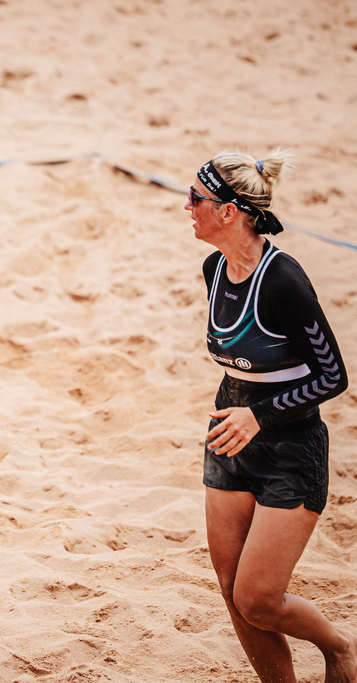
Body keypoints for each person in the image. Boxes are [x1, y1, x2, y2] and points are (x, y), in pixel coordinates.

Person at [187, 149, 356, 682]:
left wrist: (258, 415)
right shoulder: (214, 269)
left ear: (229, 211)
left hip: (290, 450)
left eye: (196, 198)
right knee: (232, 589)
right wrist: (237, 417)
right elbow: (241, 363)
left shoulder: (282, 281)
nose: (186, 206)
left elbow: (333, 377)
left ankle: (340, 648)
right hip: (229, 443)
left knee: (259, 598)